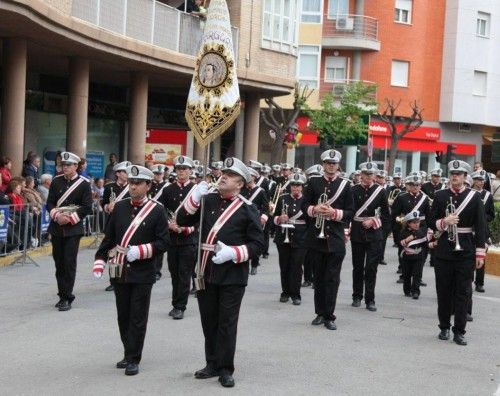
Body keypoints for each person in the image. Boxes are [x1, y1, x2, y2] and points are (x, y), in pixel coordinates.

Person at [177, 157, 264, 388]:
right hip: (205, 271)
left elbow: (258, 245)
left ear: (241, 184)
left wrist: (234, 253)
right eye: (224, 172)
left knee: (226, 322)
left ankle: (226, 368)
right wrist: (193, 198)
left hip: (232, 275)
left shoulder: (248, 208)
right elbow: (182, 219)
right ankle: (212, 363)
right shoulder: (207, 200)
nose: (224, 176)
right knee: (209, 320)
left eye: (231, 175)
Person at [92, 165, 169, 376]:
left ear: (148, 186)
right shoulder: (120, 207)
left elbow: (164, 242)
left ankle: (134, 357)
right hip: (119, 270)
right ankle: (127, 352)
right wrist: (99, 259)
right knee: (123, 315)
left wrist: (142, 251)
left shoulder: (157, 210)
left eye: (137, 184)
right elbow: (109, 237)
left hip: (143, 271)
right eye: (131, 183)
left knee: (137, 316)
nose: (133, 187)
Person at [429, 160, 486, 346]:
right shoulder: (440, 195)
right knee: (443, 290)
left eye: (459, 174)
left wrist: (480, 254)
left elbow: (481, 226)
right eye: (453, 174)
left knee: (463, 292)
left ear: (465, 177)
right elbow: (430, 221)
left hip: (466, 249)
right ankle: (444, 327)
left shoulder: (474, 197)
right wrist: (444, 222)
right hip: (445, 248)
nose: (455, 177)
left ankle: (459, 331)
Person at [302, 149, 353, 331]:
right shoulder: (314, 182)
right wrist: (315, 209)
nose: (331, 166)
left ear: (338, 165)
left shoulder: (345, 185)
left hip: (336, 239)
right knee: (319, 278)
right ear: (323, 164)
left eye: (334, 164)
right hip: (316, 237)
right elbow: (304, 205)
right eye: (328, 163)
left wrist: (333, 213)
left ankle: (329, 315)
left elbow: (350, 211)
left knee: (332, 279)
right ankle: (319, 313)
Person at [47, 151, 93, 311]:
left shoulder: (84, 184)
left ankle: (67, 296)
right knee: (59, 263)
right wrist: (57, 216)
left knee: (68, 262)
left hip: (73, 229)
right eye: (63, 165)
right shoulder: (56, 181)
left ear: (76, 166)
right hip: (57, 227)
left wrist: (70, 218)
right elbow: (50, 203)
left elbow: (87, 207)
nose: (64, 167)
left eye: (68, 165)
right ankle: (61, 294)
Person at [158, 155, 198, 320]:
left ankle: (180, 306)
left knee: (184, 273)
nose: (181, 172)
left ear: (190, 171)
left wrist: (186, 229)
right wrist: (168, 224)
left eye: (185, 169)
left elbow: (202, 217)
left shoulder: (196, 190)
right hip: (173, 238)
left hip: (189, 238)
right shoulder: (168, 190)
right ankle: (176, 302)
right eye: (179, 169)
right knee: (174, 272)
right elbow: (160, 211)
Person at [349, 162, 390, 312]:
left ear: (374, 176)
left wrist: (373, 221)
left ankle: (370, 299)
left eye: (370, 174)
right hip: (357, 233)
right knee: (358, 267)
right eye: (365, 174)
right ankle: (357, 295)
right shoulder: (353, 190)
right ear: (361, 174)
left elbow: (386, 216)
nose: (367, 177)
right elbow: (349, 211)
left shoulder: (380, 191)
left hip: (374, 234)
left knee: (371, 268)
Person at [273, 173, 308, 305]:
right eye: (293, 185)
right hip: (283, 237)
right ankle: (285, 292)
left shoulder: (306, 200)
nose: (295, 188)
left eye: (298, 185)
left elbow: (310, 221)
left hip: (301, 238)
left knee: (297, 266)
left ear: (302, 187)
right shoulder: (282, 198)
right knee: (285, 265)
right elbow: (274, 217)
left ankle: (296, 294)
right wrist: (279, 219)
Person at [391, 175, 430, 285]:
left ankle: (418, 277)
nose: (415, 187)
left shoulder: (424, 198)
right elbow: (395, 213)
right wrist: (400, 221)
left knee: (421, 252)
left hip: (420, 227)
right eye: (413, 185)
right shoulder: (402, 197)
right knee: (404, 251)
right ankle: (404, 274)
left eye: (417, 185)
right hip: (406, 227)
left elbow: (428, 215)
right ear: (409, 186)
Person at [102, 161, 131, 292]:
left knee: (126, 251)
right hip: (113, 224)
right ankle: (113, 280)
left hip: (128, 224)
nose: (127, 174)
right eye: (124, 172)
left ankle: (125, 276)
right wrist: (108, 207)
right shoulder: (109, 187)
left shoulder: (132, 187)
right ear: (118, 174)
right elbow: (103, 204)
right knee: (112, 252)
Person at [470, 170, 495, 293]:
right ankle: (468, 279)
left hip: (482, 230)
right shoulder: (468, 193)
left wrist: (483, 218)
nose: (480, 182)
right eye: (478, 180)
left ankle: (479, 283)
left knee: (481, 257)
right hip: (469, 230)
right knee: (469, 256)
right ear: (473, 180)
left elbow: (492, 215)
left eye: (482, 180)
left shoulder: (488, 195)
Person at [242, 167, 269, 276]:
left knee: (254, 241)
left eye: (250, 176)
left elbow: (266, 207)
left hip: (255, 219)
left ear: (254, 178)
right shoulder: (242, 190)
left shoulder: (260, 191)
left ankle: (254, 264)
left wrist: (263, 217)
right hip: (243, 218)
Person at [400, 211, 428, 299]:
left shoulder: (421, 232)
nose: (417, 224)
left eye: (418, 222)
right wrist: (408, 239)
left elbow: (424, 243)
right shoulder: (403, 232)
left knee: (417, 274)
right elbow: (400, 243)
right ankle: (407, 290)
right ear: (408, 223)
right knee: (407, 274)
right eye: (414, 222)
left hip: (418, 256)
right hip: (407, 256)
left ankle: (416, 291)